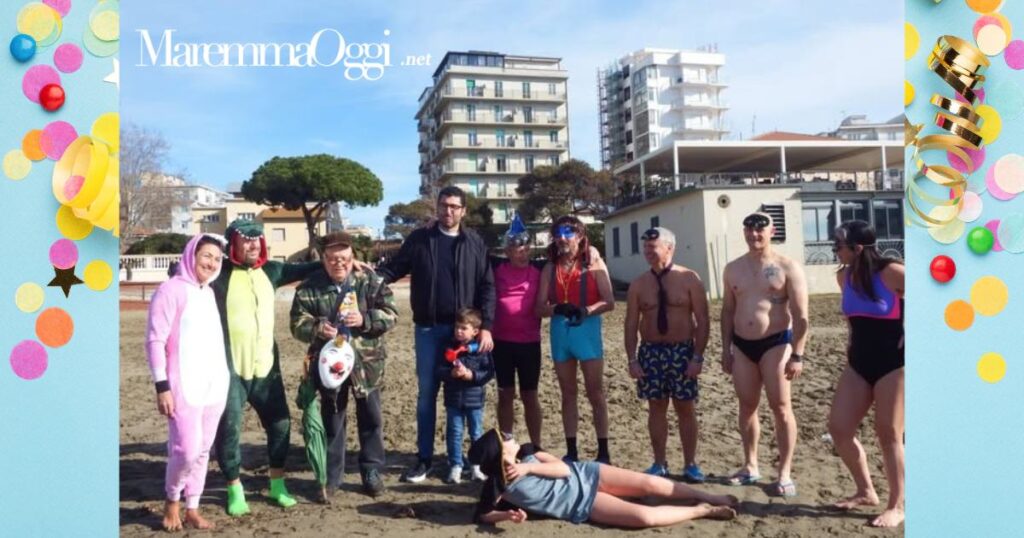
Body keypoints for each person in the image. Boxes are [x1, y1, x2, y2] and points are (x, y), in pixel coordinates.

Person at [376, 186, 496, 483]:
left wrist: (487, 327)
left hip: (465, 336)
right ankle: (424, 460)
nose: (448, 211)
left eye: (455, 206)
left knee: (468, 398)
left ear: (463, 211)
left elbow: (487, 286)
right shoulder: (420, 239)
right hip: (429, 331)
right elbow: (395, 268)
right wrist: (370, 277)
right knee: (426, 396)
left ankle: (472, 462)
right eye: (444, 205)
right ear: (437, 208)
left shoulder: (475, 243)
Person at [212, 219, 320, 515]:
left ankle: (277, 485)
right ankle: (235, 489)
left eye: (257, 239)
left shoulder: (272, 270)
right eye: (246, 239)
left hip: (266, 368)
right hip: (231, 368)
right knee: (230, 430)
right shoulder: (218, 273)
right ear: (232, 243)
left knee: (280, 424)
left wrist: (348, 264)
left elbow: (312, 268)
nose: (253, 245)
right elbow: (183, 270)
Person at [290, 232, 398, 500]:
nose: (339, 264)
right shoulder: (309, 287)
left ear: (353, 258)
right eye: (333, 259)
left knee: (371, 420)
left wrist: (365, 319)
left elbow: (392, 314)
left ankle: (372, 471)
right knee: (332, 420)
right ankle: (331, 476)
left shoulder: (370, 281)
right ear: (323, 260)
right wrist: (316, 328)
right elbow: (296, 323)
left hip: (367, 364)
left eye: (345, 259)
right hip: (330, 367)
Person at [468, 429, 738, 527]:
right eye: (506, 439)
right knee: (646, 518)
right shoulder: (498, 484)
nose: (512, 437)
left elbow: (563, 468)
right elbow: (484, 514)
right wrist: (507, 516)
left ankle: (707, 495)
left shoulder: (528, 452)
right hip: (581, 504)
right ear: (501, 455)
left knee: (650, 484)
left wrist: (528, 468)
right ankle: (702, 511)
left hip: (586, 473)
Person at [720, 212, 808, 497]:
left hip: (776, 343)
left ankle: (784, 472)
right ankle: (750, 465)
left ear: (772, 231)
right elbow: (728, 311)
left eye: (760, 231)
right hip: (743, 346)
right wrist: (725, 348)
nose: (754, 235)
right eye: (748, 231)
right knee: (747, 406)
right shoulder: (733, 268)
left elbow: (801, 314)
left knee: (781, 406)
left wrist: (798, 354)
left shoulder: (787, 266)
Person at [146, 234, 230, 531]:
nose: (211, 262)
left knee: (205, 449)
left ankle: (192, 506)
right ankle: (172, 501)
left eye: (217, 259)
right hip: (184, 384)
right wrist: (162, 386)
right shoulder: (171, 290)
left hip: (215, 384)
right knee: (187, 449)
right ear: (192, 254)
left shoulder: (208, 292)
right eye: (206, 255)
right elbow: (155, 340)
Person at [827, 220, 904, 528]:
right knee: (839, 428)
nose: (835, 250)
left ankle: (897, 505)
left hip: (894, 363)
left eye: (838, 246)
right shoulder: (843, 277)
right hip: (859, 362)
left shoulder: (892, 272)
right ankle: (865, 490)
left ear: (857, 248)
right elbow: (851, 319)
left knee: (888, 434)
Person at [624, 227, 709, 483]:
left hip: (682, 350)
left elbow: (703, 320)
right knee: (656, 408)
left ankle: (690, 464)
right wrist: (632, 358)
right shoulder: (639, 284)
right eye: (646, 248)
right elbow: (630, 323)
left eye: (654, 247)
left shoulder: (690, 279)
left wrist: (697, 357)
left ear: (669, 248)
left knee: (685, 408)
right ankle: (659, 462)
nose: (648, 252)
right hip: (651, 352)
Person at [535, 215, 615, 464]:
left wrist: (587, 310)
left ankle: (603, 451)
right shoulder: (550, 267)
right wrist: (557, 308)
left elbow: (609, 301)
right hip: (561, 332)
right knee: (567, 393)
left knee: (595, 392)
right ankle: (572, 450)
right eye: (558, 233)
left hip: (587, 330)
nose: (562, 238)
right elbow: (539, 307)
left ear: (580, 236)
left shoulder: (593, 262)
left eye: (568, 233)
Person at [491, 214, 544, 448]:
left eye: (524, 247)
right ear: (507, 250)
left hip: (529, 343)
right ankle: (507, 441)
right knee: (505, 394)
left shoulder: (540, 270)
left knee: (530, 396)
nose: (520, 251)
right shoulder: (496, 268)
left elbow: (568, 253)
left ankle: (536, 443)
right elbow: (468, 247)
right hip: (501, 342)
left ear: (530, 248)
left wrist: (592, 252)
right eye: (514, 247)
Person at [437, 308, 495, 484]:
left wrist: (472, 375)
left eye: (463, 328)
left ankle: (476, 465)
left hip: (475, 400)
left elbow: (489, 372)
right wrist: (451, 374)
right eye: (457, 328)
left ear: (475, 331)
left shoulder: (481, 350)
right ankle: (456, 465)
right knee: (454, 432)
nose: (458, 331)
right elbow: (439, 370)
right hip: (453, 398)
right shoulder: (449, 348)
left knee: (476, 433)